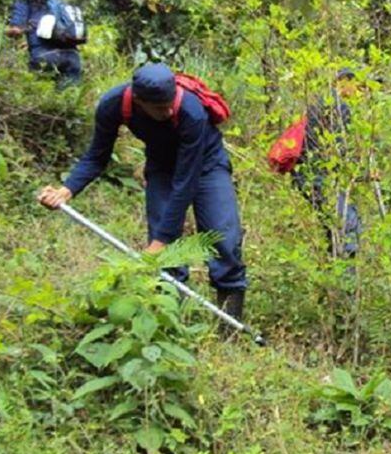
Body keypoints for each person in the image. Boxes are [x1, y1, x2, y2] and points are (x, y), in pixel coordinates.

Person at [38, 63, 247, 321]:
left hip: (206, 165)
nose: (168, 110)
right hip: (162, 167)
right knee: (167, 255)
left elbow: (185, 183)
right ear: (139, 101)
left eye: (170, 103)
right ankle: (174, 323)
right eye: (160, 108)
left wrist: (160, 241)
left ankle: (230, 326)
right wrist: (66, 191)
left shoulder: (191, 111)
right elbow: (96, 157)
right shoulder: (113, 105)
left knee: (223, 238)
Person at [292, 68, 362, 260]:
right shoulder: (339, 108)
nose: (360, 91)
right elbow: (340, 151)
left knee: (332, 225)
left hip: (304, 175)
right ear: (345, 82)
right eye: (358, 85)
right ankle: (346, 283)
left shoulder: (316, 103)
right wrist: (362, 172)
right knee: (348, 223)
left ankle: (334, 276)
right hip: (319, 175)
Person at [5, 0, 82, 86]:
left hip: (45, 57)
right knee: (70, 96)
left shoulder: (25, 2)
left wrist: (6, 31)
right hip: (72, 56)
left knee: (42, 96)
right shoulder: (59, 2)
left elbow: (15, 31)